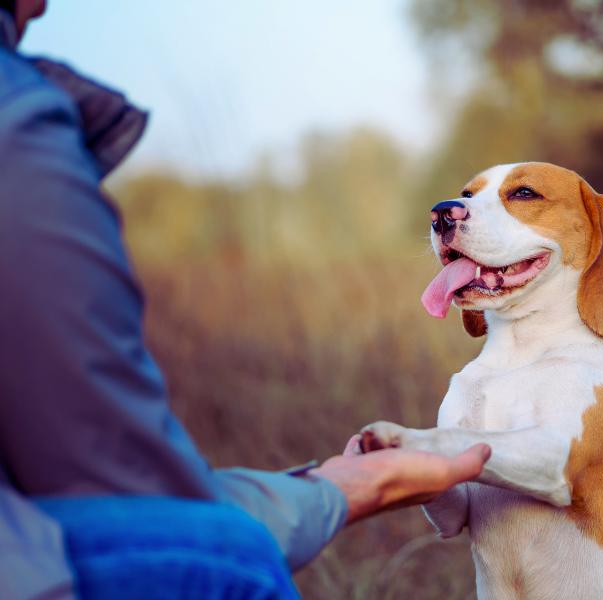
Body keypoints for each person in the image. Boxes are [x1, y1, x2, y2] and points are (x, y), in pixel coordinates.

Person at [0, 2, 491, 598]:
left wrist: (331, 486)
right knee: (228, 562)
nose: (48, 5)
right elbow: (145, 506)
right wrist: (348, 490)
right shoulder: (18, 122)